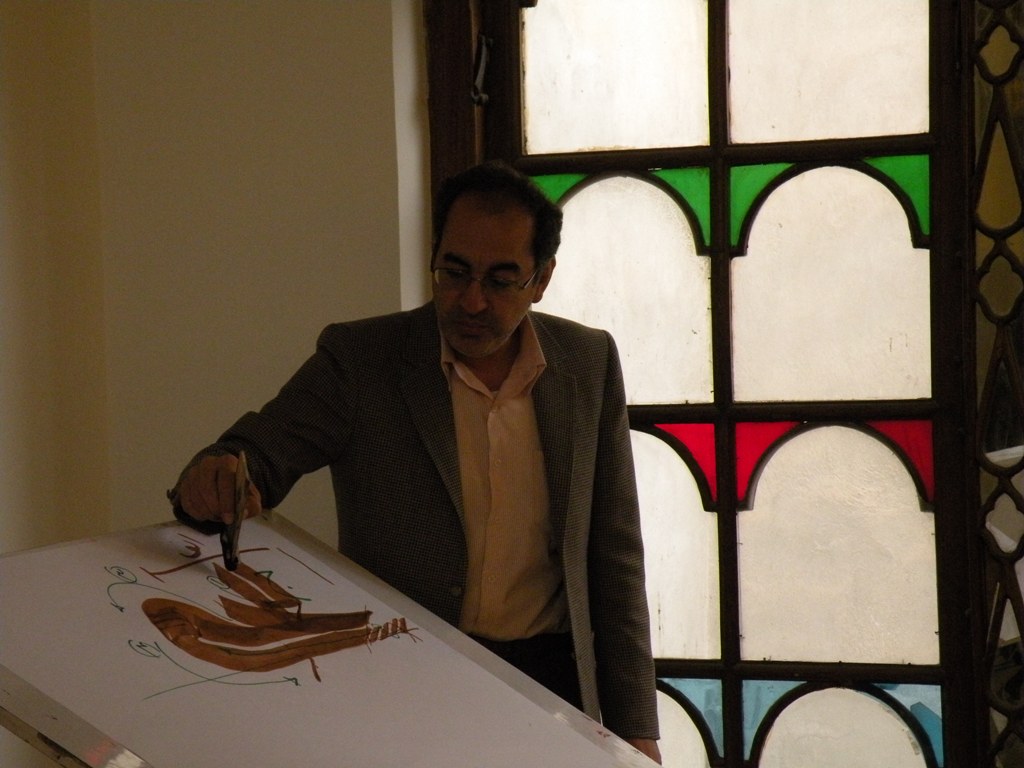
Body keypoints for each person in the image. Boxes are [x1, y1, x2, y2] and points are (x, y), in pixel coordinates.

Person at [169, 161, 661, 762]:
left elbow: (614, 552)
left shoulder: (588, 362)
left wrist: (637, 728)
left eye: (501, 280)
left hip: (551, 684)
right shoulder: (362, 360)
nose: (472, 300)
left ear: (542, 279)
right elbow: (262, 453)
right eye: (455, 272)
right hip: (403, 678)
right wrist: (217, 476)